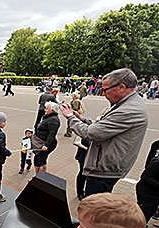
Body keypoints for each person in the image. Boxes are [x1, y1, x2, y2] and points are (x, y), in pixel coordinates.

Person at [60, 68, 149, 196]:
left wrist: (70, 117)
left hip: (104, 170)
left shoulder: (129, 109)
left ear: (121, 87)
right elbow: (103, 127)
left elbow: (90, 133)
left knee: (92, 210)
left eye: (105, 89)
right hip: (105, 165)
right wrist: (82, 119)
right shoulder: (127, 103)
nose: (103, 93)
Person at [33, 101, 60, 174]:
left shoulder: (53, 120)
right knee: (43, 160)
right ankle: (43, 177)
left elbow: (52, 134)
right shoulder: (48, 117)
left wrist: (46, 145)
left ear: (52, 110)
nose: (45, 110)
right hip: (43, 142)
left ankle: (38, 179)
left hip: (46, 144)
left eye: (47, 108)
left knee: (38, 162)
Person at [136, 139, 159, 223]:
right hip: (146, 192)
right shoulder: (156, 164)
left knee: (151, 212)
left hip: (156, 194)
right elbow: (145, 177)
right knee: (144, 213)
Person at [73, 135, 90, 200]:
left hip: (95, 157)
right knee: (82, 174)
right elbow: (82, 141)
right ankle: (80, 192)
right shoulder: (88, 126)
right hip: (84, 155)